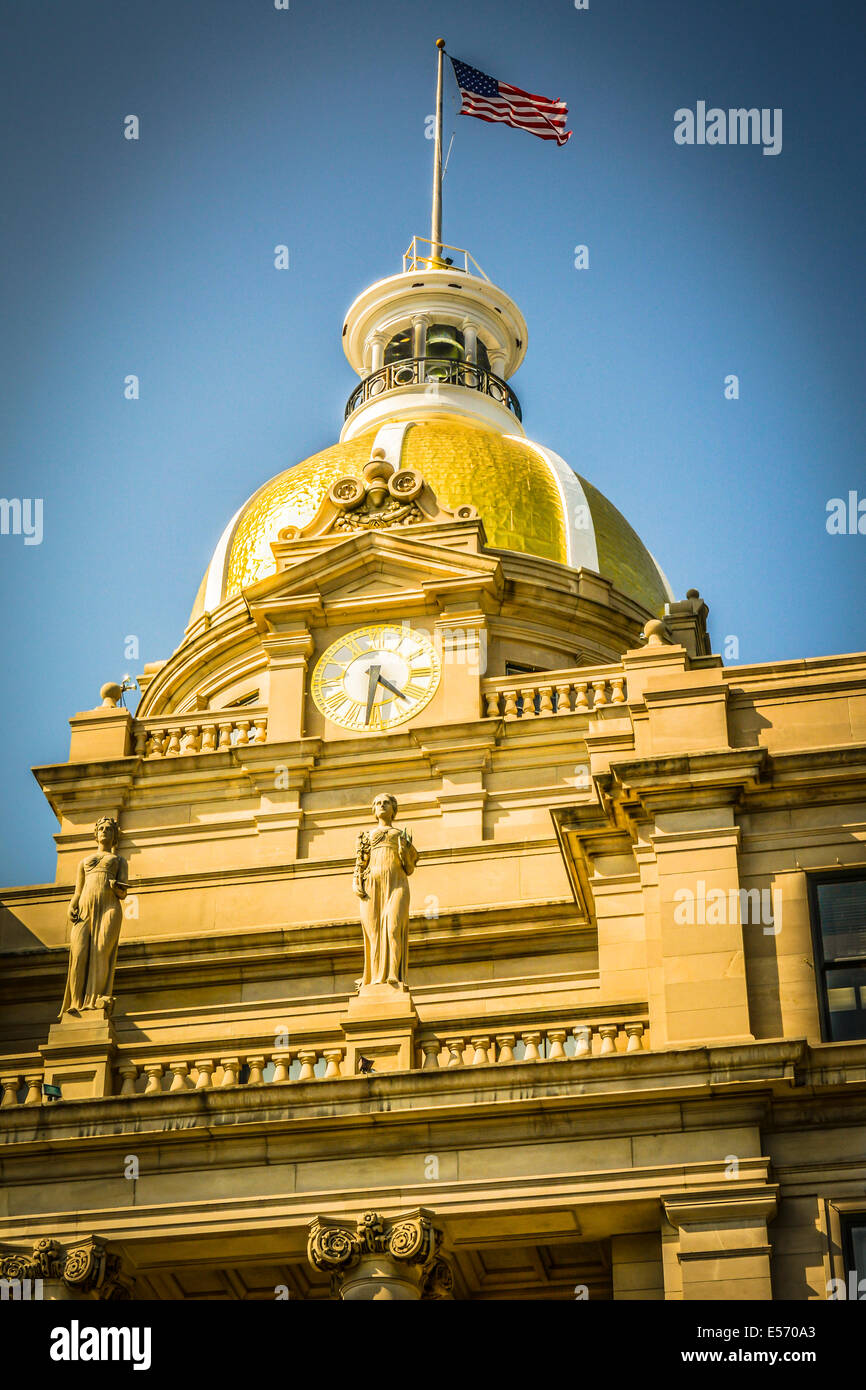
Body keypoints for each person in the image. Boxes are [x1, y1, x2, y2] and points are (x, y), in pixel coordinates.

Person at [60, 816, 128, 1017]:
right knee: (79, 955)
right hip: (84, 908)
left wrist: (117, 888)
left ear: (114, 836)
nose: (105, 831)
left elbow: (123, 891)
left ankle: (94, 1000)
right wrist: (72, 905)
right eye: (102, 828)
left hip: (109, 907)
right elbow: (77, 891)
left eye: (109, 829)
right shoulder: (83, 862)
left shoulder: (119, 860)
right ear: (96, 834)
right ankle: (75, 1002)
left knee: (100, 952)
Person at [352, 793, 418, 990]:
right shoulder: (366, 836)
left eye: (386, 803)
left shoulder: (401, 836)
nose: (382, 805)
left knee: (393, 927)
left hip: (397, 884)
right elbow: (360, 864)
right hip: (372, 887)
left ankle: (393, 975)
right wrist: (356, 882)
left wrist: (404, 853)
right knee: (373, 933)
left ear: (394, 809)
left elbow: (409, 868)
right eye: (378, 803)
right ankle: (374, 978)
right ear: (373, 810)